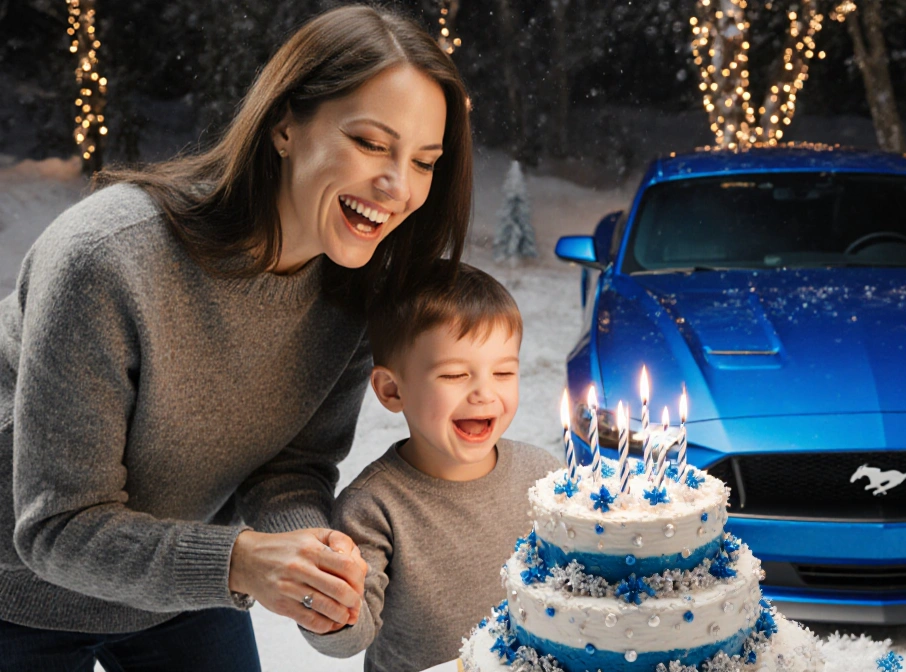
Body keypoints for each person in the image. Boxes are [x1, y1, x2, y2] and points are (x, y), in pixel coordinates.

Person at [0, 6, 472, 670]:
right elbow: (56, 529)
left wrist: (316, 569)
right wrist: (243, 561)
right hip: (15, 594)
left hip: (175, 588)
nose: (398, 187)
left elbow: (290, 465)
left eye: (424, 161)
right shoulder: (105, 259)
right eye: (370, 143)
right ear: (285, 125)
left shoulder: (356, 296)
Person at [301, 262, 560, 671]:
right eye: (455, 374)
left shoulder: (541, 475)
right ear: (391, 389)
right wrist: (329, 611)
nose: (484, 393)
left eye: (504, 371)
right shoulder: (373, 505)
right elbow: (352, 634)